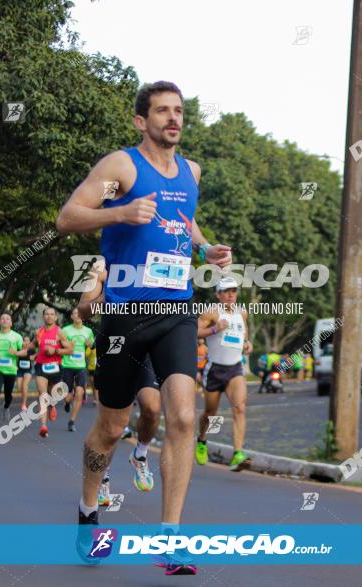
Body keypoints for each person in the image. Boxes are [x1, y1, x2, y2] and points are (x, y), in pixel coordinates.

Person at [57, 80, 232, 575]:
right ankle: (89, 513)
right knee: (110, 429)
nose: (173, 119)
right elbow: (67, 217)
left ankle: (169, 540)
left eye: (178, 111)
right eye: (162, 111)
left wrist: (206, 249)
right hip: (124, 316)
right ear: (141, 121)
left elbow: (184, 219)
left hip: (177, 307)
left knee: (181, 416)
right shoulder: (121, 168)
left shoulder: (191, 172)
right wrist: (121, 211)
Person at [76, 261, 160, 501]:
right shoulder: (101, 266)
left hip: (146, 348)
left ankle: (140, 454)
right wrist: (107, 295)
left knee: (152, 408)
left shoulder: (152, 259)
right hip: (114, 348)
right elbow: (83, 309)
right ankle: (102, 478)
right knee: (113, 427)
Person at [195, 276, 252, 471]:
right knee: (211, 413)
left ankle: (238, 453)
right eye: (226, 291)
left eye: (233, 291)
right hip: (214, 369)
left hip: (235, 367)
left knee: (240, 408)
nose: (230, 294)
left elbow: (244, 332)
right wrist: (214, 329)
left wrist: (247, 344)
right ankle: (202, 440)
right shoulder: (211, 312)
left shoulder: (242, 312)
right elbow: (194, 332)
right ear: (218, 294)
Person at [29, 307, 73, 438]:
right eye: (46, 314)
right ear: (43, 317)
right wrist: (28, 350)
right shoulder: (39, 332)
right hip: (41, 366)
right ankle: (43, 426)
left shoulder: (59, 332)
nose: (49, 316)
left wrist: (56, 351)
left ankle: (53, 405)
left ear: (55, 318)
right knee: (42, 395)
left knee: (55, 393)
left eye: (52, 314)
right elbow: (34, 345)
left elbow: (70, 350)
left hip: (55, 367)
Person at [0, 314, 23, 429]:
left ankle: (6, 406)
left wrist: (16, 353)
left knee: (8, 395)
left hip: (11, 370)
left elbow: (23, 351)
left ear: (11, 323)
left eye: (8, 319)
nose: (5, 320)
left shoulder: (17, 337)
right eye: (2, 318)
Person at [61, 309, 94, 432]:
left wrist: (91, 344)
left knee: (79, 393)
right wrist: (68, 345)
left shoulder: (88, 331)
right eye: (76, 313)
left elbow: (93, 345)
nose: (78, 315)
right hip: (67, 366)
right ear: (71, 316)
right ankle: (67, 403)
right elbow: (60, 345)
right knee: (68, 396)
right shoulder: (65, 330)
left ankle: (72, 421)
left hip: (81, 366)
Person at [13, 336, 34, 413]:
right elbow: (16, 356)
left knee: (25, 385)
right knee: (19, 388)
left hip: (28, 370)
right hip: (20, 370)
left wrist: (33, 358)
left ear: (29, 342)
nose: (25, 342)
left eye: (27, 340)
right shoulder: (19, 349)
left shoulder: (31, 350)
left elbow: (33, 358)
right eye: (24, 340)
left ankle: (24, 404)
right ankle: (25, 398)